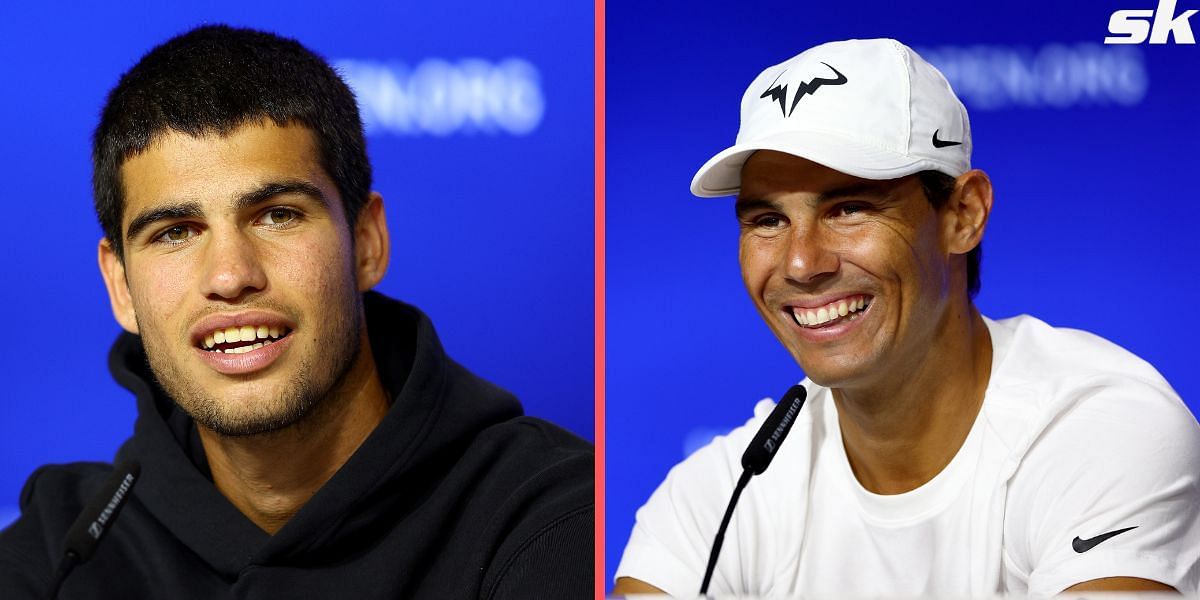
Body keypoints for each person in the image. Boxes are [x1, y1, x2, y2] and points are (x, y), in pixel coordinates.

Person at [0, 25, 592, 599]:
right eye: (176, 232)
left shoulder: (548, 519)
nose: (230, 276)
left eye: (277, 214)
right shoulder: (60, 552)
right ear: (120, 285)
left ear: (366, 243)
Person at [613, 38, 1200, 597]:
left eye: (849, 208)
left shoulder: (1096, 430)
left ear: (963, 215)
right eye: (767, 220)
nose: (800, 262)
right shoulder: (718, 499)